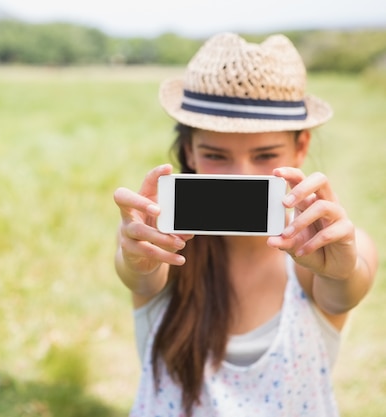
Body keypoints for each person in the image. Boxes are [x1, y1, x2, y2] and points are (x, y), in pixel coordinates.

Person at [113, 32, 378, 417]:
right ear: (189, 151)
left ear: (301, 147)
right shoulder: (157, 239)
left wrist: (344, 270)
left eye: (265, 155)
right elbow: (139, 277)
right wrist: (136, 260)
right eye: (216, 155)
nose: (243, 175)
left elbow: (344, 288)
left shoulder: (327, 246)